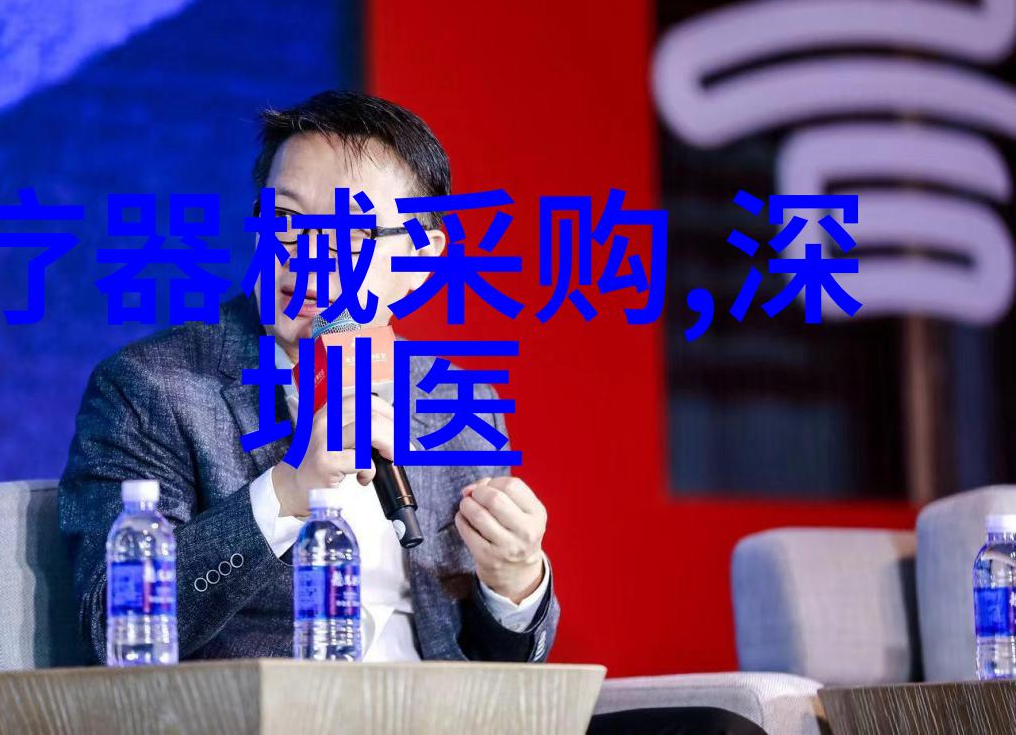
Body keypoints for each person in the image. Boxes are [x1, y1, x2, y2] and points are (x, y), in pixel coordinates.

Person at [59, 90, 766, 735]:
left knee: (716, 731)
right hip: (278, 723)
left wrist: (514, 582)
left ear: (421, 258)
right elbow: (109, 625)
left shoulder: (454, 402)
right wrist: (286, 491)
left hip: (445, 720)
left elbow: (503, 670)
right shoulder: (153, 386)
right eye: (288, 221)